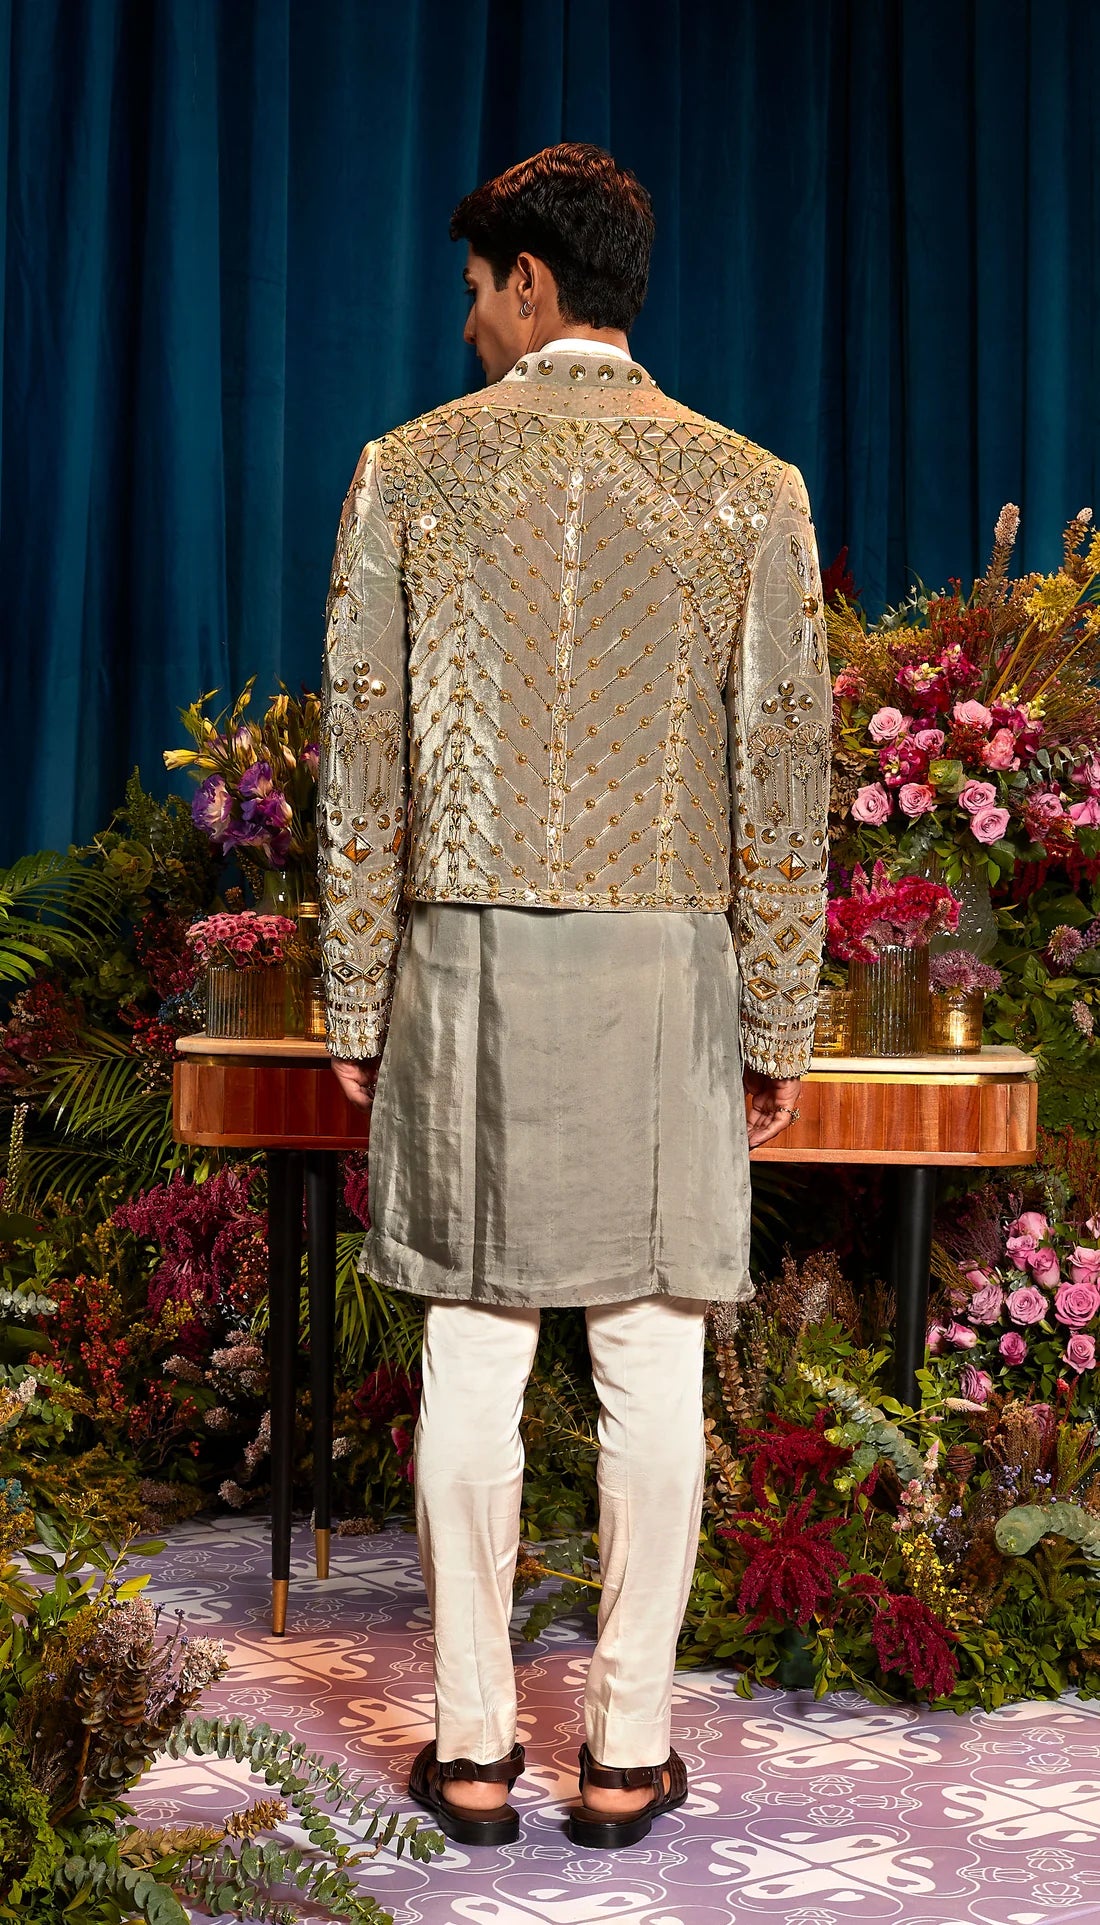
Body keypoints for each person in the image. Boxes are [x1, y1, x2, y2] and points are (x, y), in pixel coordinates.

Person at [318, 142, 831, 1851]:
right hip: (669, 971)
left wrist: (352, 996)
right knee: (651, 1359)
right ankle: (623, 1750)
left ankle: (472, 1748)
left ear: (533, 283)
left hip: (464, 965)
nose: (467, 320)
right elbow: (785, 774)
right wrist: (779, 1017)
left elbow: (362, 758)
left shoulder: (406, 473)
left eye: (478, 288)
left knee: (472, 1351)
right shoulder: (751, 489)